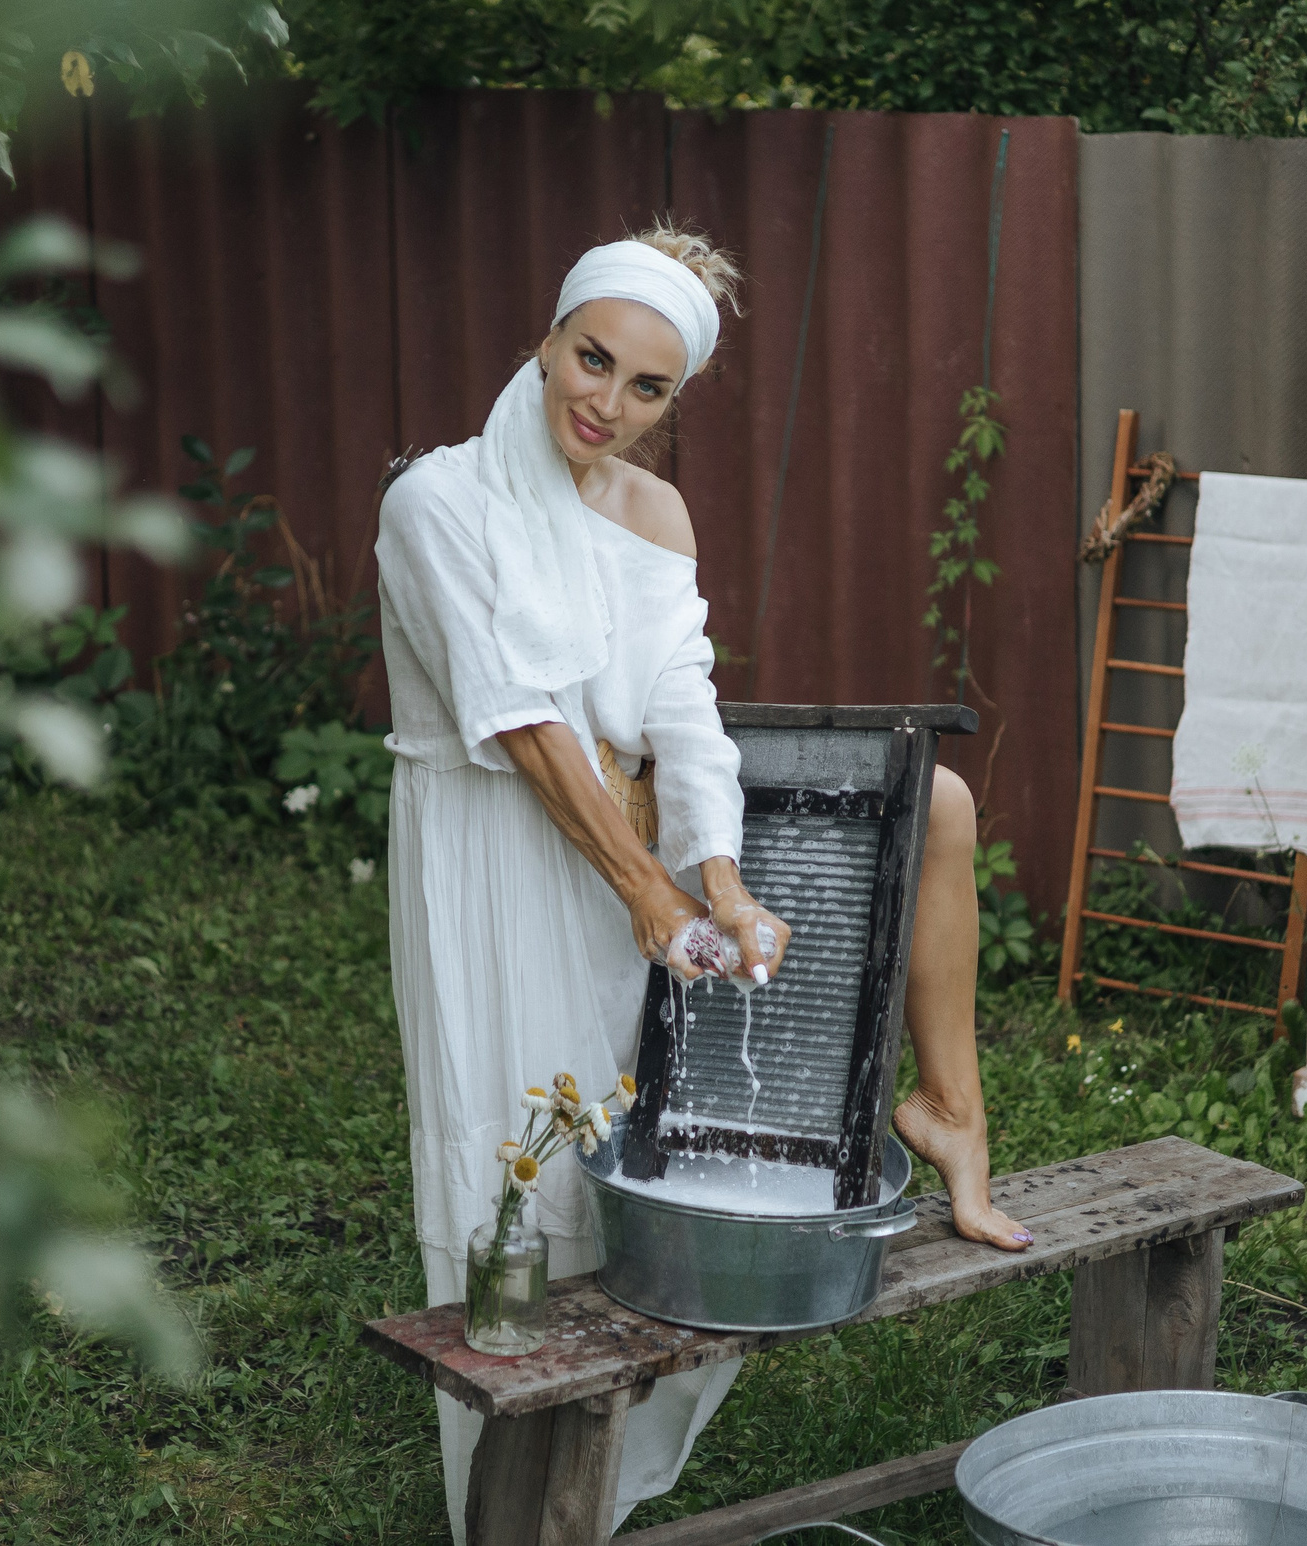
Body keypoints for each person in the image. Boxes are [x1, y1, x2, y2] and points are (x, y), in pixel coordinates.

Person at [377, 226, 1029, 1539]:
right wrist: (649, 894)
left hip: (638, 846)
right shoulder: (438, 503)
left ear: (678, 399)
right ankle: (517, 1503)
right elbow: (519, 722)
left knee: (929, 811)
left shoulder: (654, 513)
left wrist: (719, 881)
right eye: (591, 358)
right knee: (520, 1177)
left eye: (644, 387)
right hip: (502, 857)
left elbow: (685, 708)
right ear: (550, 335)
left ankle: (947, 1111)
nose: (602, 403)